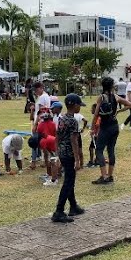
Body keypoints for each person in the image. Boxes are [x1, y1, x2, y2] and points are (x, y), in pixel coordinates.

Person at [51, 94, 86, 223]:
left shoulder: (62, 118)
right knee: (68, 182)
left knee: (69, 180)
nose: (80, 108)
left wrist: (58, 152)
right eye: (79, 105)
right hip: (69, 154)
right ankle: (59, 211)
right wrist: (77, 159)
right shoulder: (72, 121)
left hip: (62, 152)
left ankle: (73, 206)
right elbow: (74, 140)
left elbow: (57, 136)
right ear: (75, 105)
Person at [91, 77, 131, 184]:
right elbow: (130, 105)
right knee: (111, 150)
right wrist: (118, 110)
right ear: (112, 86)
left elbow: (96, 114)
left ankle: (104, 176)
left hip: (105, 126)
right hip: (114, 126)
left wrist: (92, 128)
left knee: (99, 150)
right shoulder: (116, 96)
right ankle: (110, 175)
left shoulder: (101, 97)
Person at [30, 81, 53, 170]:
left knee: (35, 141)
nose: (35, 92)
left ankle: (34, 162)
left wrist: (35, 124)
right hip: (43, 122)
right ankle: (44, 160)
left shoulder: (43, 97)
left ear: (40, 88)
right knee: (43, 141)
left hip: (40, 122)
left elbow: (41, 111)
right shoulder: (45, 96)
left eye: (36, 90)